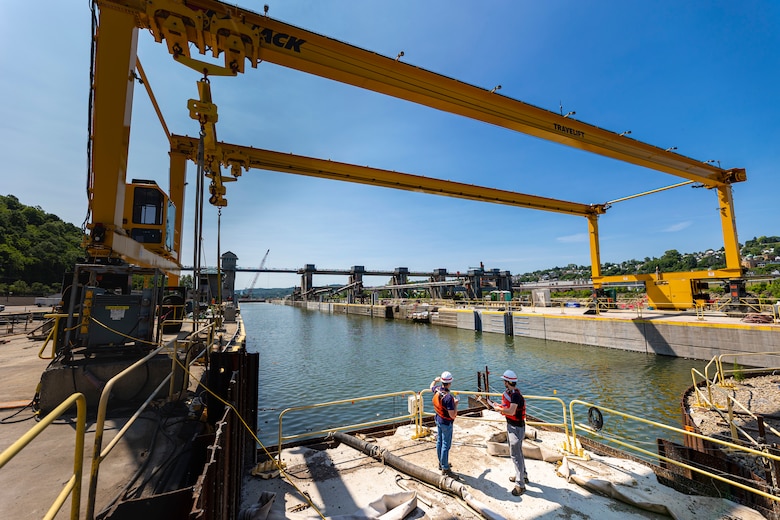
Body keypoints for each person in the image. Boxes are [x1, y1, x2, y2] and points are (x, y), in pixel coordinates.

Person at [488, 369, 527, 496]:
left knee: (515, 455)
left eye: (504, 381)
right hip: (513, 426)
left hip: (516, 428)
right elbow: (509, 409)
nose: (504, 383)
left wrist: (499, 408)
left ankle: (520, 485)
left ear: (507, 382)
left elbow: (511, 412)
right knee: (518, 453)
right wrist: (500, 406)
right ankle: (522, 475)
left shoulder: (515, 395)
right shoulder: (513, 394)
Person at [430, 371, 458, 476]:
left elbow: (431, 387)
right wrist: (455, 404)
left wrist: (435, 380)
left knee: (439, 442)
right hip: (446, 423)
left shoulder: (437, 390)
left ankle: (441, 463)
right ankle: (445, 468)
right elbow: (452, 415)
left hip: (438, 419)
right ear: (450, 383)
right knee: (446, 445)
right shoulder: (448, 398)